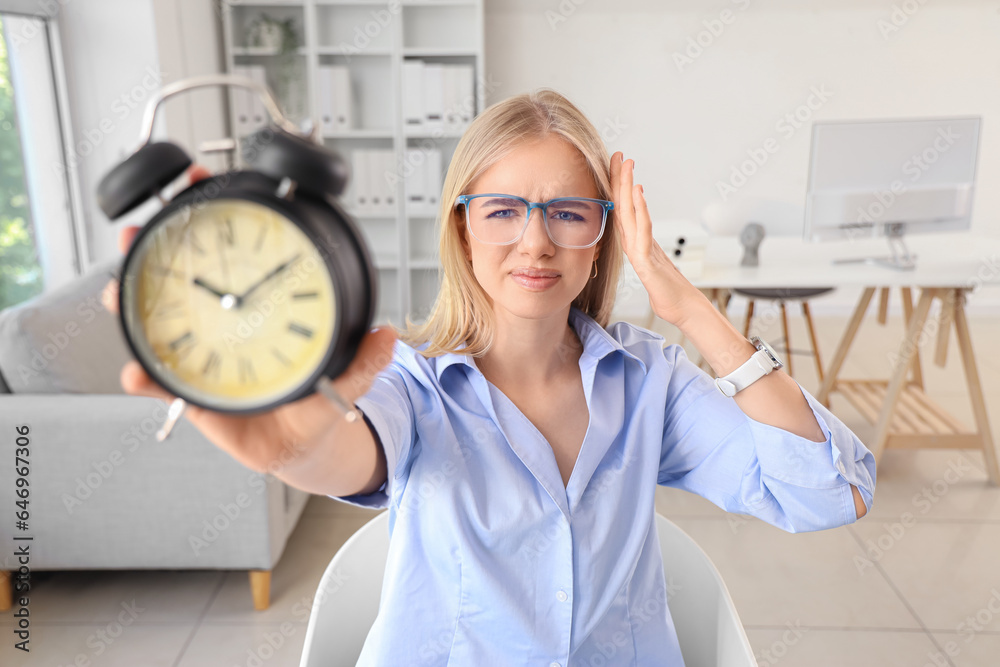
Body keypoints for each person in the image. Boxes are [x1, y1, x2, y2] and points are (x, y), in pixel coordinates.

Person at [104, 88, 876, 666]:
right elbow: (347, 449)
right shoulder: (412, 380)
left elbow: (830, 493)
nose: (535, 241)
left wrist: (694, 313)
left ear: (603, 235)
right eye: (503, 210)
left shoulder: (650, 379)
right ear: (463, 227)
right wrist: (289, 449)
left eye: (568, 212)